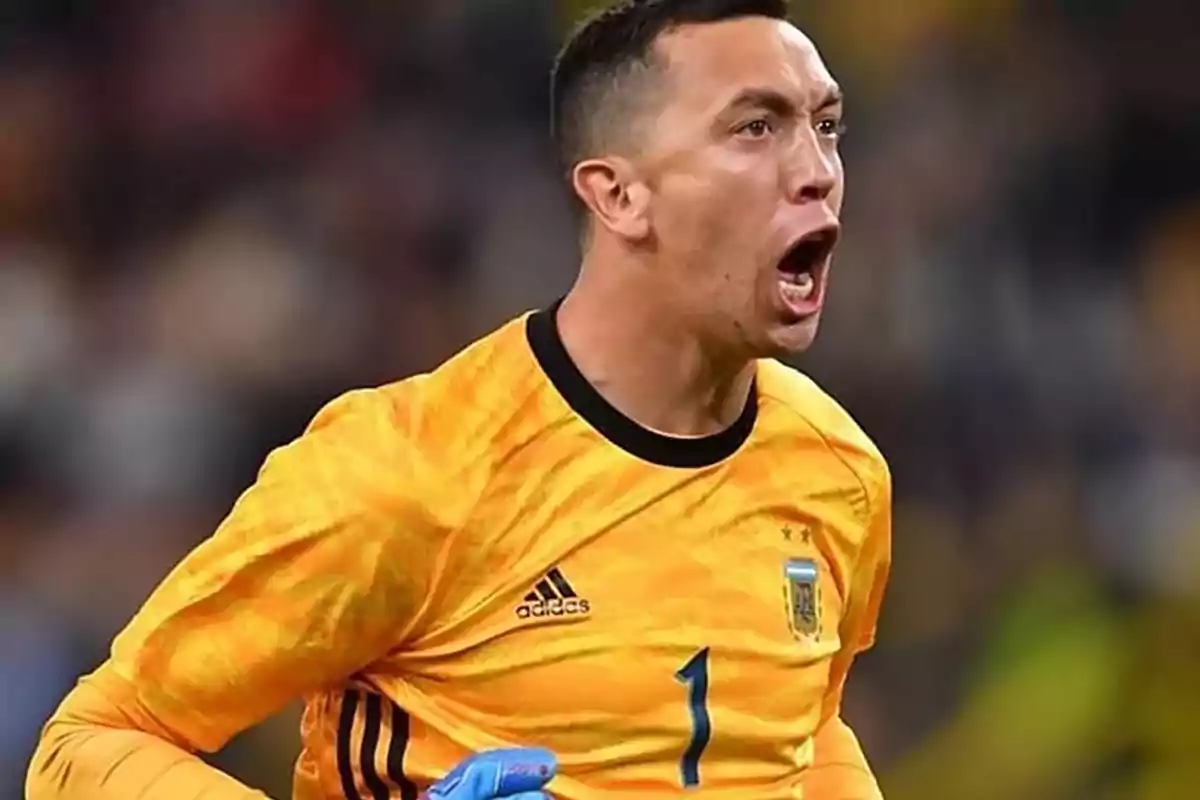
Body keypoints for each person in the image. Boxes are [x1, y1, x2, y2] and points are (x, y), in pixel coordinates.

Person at [26, 0, 891, 798]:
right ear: (620, 195)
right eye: (755, 128)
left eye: (826, 127)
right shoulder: (410, 472)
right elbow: (88, 745)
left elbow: (805, 729)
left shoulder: (838, 472)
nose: (816, 172)